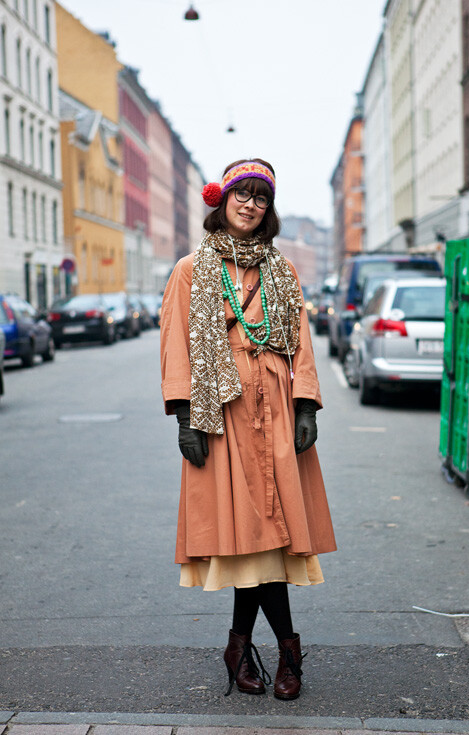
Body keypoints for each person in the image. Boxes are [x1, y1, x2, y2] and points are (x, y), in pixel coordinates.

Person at [160, 158, 336, 700]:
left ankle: (243, 647)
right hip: (223, 413)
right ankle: (285, 651)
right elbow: (175, 342)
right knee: (256, 539)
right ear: (223, 200)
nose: (250, 205)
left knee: (268, 539)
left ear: (269, 210)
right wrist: (186, 415)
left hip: (277, 409)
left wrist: (306, 405)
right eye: (242, 195)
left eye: (261, 198)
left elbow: (302, 341)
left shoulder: (282, 270)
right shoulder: (192, 268)